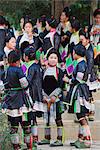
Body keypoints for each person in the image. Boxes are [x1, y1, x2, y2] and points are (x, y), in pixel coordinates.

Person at [1, 51, 33, 150]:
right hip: (21, 100)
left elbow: (2, 86)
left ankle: (16, 147)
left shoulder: (5, 71)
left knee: (13, 126)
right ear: (18, 60)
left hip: (10, 100)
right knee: (26, 126)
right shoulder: (18, 70)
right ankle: (29, 147)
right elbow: (24, 84)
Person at [63, 43, 92, 148]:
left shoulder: (81, 64)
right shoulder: (81, 63)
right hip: (81, 91)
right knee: (80, 116)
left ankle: (87, 141)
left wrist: (68, 80)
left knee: (81, 116)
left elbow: (78, 79)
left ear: (75, 53)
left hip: (79, 92)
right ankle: (81, 138)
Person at [38, 49, 65, 147]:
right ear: (47, 58)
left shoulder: (60, 71)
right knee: (47, 118)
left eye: (55, 58)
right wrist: (44, 95)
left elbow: (61, 85)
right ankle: (47, 137)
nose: (53, 60)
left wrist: (54, 96)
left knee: (58, 119)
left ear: (58, 59)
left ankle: (60, 139)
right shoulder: (43, 70)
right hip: (46, 99)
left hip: (56, 99)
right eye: (51, 57)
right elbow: (40, 84)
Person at [23, 46, 44, 150]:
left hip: (31, 95)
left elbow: (28, 81)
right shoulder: (37, 66)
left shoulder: (31, 67)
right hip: (38, 95)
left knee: (29, 118)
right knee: (34, 119)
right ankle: (35, 139)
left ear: (26, 57)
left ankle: (31, 143)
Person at [79, 30, 98, 121]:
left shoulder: (89, 50)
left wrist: (86, 75)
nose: (81, 42)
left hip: (89, 75)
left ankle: (91, 112)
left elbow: (90, 64)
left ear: (87, 40)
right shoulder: (86, 48)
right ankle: (89, 112)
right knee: (88, 94)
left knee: (89, 94)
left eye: (82, 40)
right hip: (88, 74)